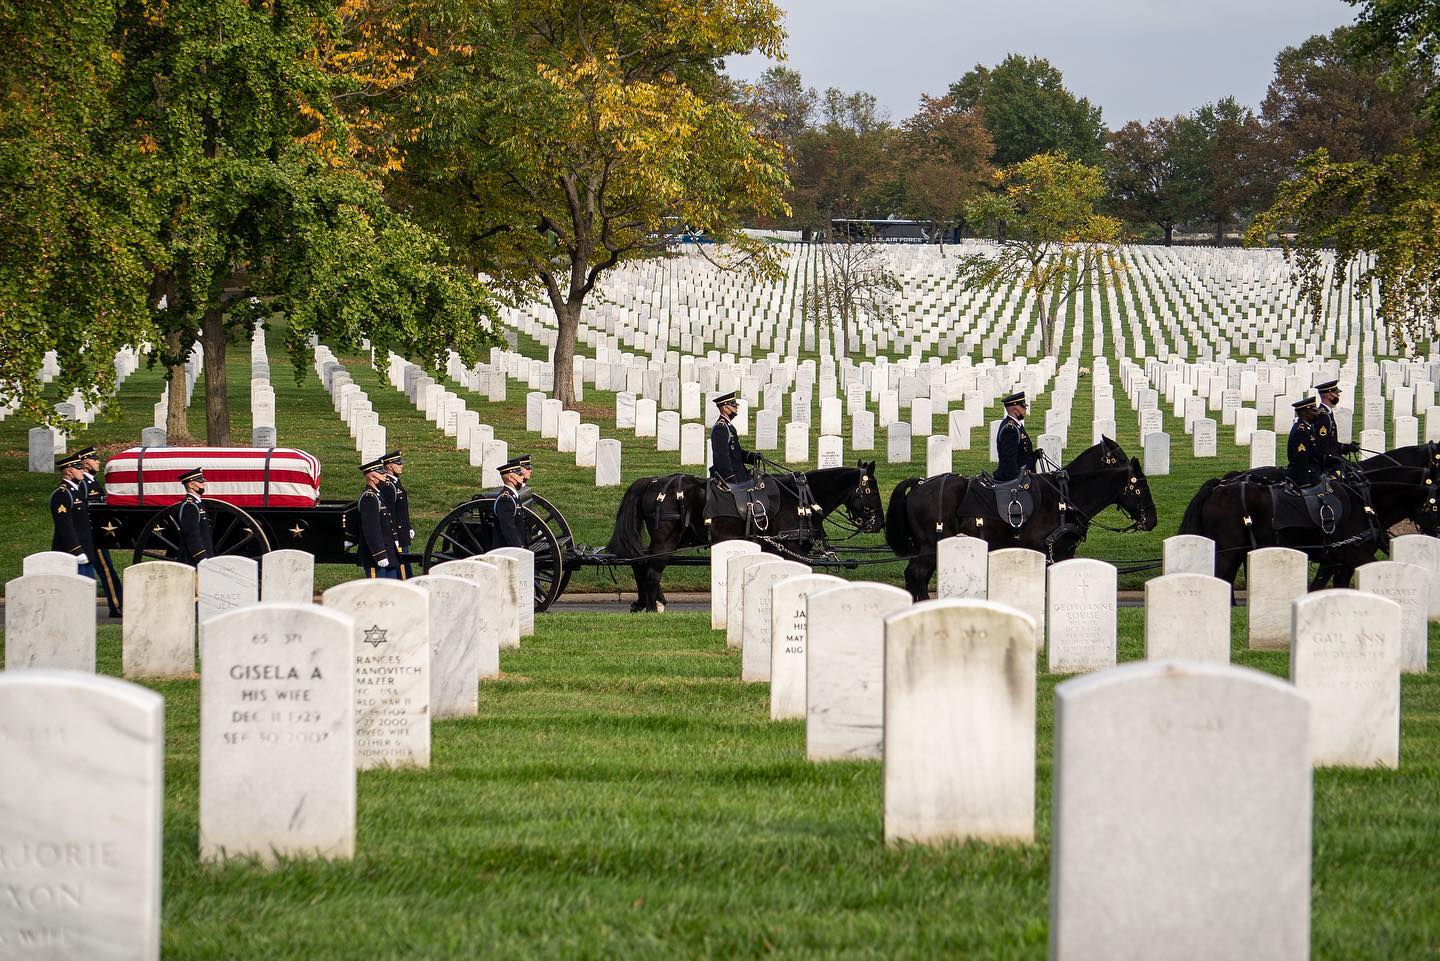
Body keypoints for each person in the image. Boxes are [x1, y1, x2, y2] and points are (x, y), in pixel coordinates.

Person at [77, 445, 122, 616]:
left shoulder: (90, 482)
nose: (98, 461)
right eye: (94, 459)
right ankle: (116, 605)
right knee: (105, 570)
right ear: (85, 463)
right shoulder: (84, 484)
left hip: (95, 532)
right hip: (92, 533)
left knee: (105, 569)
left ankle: (117, 604)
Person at [51, 452, 96, 575]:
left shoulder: (77, 490)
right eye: (78, 468)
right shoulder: (62, 494)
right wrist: (76, 550)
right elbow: (64, 525)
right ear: (69, 472)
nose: (82, 471)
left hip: (86, 547)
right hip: (72, 552)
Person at [357, 458, 403, 578]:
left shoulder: (379, 495)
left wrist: (395, 538)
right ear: (372, 477)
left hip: (389, 550)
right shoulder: (369, 498)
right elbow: (371, 530)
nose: (385, 476)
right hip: (376, 555)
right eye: (381, 473)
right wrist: (380, 554)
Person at [709, 391, 759, 484]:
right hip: (733, 477)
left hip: (740, 472)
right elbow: (721, 457)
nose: (736, 407)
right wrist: (730, 479)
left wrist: (753, 457)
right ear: (725, 408)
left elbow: (735, 452)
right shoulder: (720, 428)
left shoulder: (728, 426)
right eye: (733, 405)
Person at [380, 450, 413, 576]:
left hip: (402, 532)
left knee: (405, 566)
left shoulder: (395, 482)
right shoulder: (388, 485)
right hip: (397, 533)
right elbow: (390, 513)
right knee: (402, 571)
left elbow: (401, 510)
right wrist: (394, 534)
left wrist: (408, 527)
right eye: (398, 464)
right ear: (389, 466)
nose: (401, 466)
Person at [994, 391, 1038, 482]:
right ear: (1014, 410)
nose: (1025, 408)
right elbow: (1009, 459)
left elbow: (1021, 454)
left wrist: (1034, 456)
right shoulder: (1010, 429)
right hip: (1016, 479)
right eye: (1022, 406)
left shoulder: (1017, 426)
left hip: (1025, 476)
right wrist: (1016, 481)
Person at [1313, 379, 1360, 464]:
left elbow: (1331, 442)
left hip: (1334, 456)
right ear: (1329, 396)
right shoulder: (1323, 416)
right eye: (1336, 393)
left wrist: (1347, 447)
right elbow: (1323, 445)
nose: (1338, 395)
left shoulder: (1328, 413)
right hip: (1328, 461)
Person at [176, 467, 215, 566]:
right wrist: (201, 557)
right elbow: (192, 534)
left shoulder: (197, 503)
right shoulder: (190, 505)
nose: (203, 484)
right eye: (200, 482)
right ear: (190, 485)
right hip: (193, 560)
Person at [1287, 397, 1323, 486]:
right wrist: (1307, 481)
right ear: (1303, 413)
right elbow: (1301, 459)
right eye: (1313, 411)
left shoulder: (1308, 428)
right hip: (1305, 476)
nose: (1317, 413)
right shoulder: (1301, 432)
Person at [493, 458, 527, 549]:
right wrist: (519, 548)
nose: (522, 477)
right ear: (511, 478)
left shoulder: (513, 496)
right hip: (508, 550)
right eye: (519, 474)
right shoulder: (505, 499)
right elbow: (508, 529)